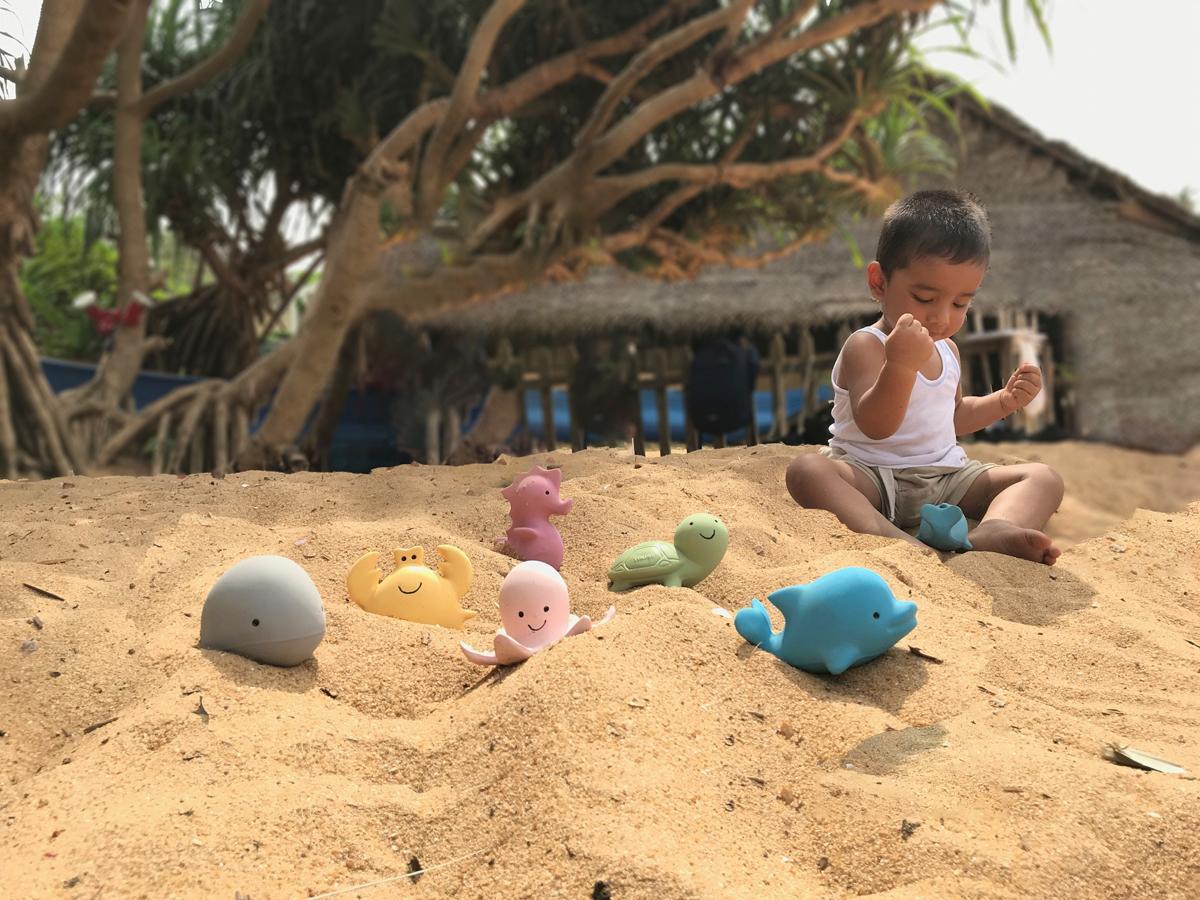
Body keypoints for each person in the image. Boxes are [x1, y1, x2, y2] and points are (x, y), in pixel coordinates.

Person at [786, 190, 1064, 565]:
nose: (942, 317)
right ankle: (899, 541)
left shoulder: (948, 349)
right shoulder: (866, 345)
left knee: (1042, 478)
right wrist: (900, 366)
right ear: (879, 282)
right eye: (924, 297)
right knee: (808, 471)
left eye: (960, 303)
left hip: (946, 478)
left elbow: (951, 417)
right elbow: (876, 426)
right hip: (872, 477)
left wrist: (1003, 401)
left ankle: (994, 529)